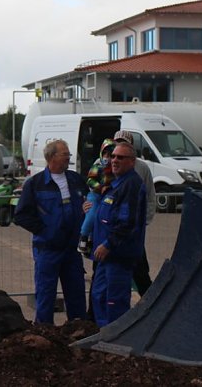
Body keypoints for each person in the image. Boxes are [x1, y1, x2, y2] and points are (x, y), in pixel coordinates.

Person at [14, 139, 87, 324]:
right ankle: (44, 332)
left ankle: (79, 332)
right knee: (45, 295)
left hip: (72, 250)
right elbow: (21, 215)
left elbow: (89, 200)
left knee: (77, 294)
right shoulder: (35, 184)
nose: (69, 157)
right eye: (65, 154)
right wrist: (45, 231)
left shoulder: (76, 180)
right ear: (52, 157)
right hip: (47, 250)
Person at [90, 142, 146, 326]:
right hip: (105, 257)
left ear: (132, 161)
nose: (114, 160)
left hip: (118, 257)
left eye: (120, 157)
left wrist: (108, 245)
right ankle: (103, 334)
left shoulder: (131, 185)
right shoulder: (116, 184)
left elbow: (127, 222)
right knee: (99, 296)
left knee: (114, 302)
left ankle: (116, 339)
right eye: (113, 156)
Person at [113, 129, 156, 296]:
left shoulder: (142, 168)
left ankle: (150, 302)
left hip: (133, 231)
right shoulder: (104, 162)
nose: (116, 159)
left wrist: (144, 221)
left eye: (123, 143)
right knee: (103, 272)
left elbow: (150, 196)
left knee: (140, 270)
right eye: (117, 142)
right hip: (111, 230)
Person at [78, 138, 116, 255]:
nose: (106, 157)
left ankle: (94, 241)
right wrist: (100, 187)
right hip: (95, 195)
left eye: (110, 155)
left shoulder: (115, 169)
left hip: (108, 197)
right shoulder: (97, 165)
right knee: (92, 214)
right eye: (105, 154)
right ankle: (83, 237)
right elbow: (90, 180)